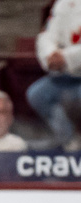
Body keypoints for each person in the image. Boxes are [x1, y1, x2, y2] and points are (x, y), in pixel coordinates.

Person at [27, 0, 81, 150]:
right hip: (62, 76)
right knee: (37, 94)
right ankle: (67, 139)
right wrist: (50, 55)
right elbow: (46, 36)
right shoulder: (64, 3)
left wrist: (67, 58)